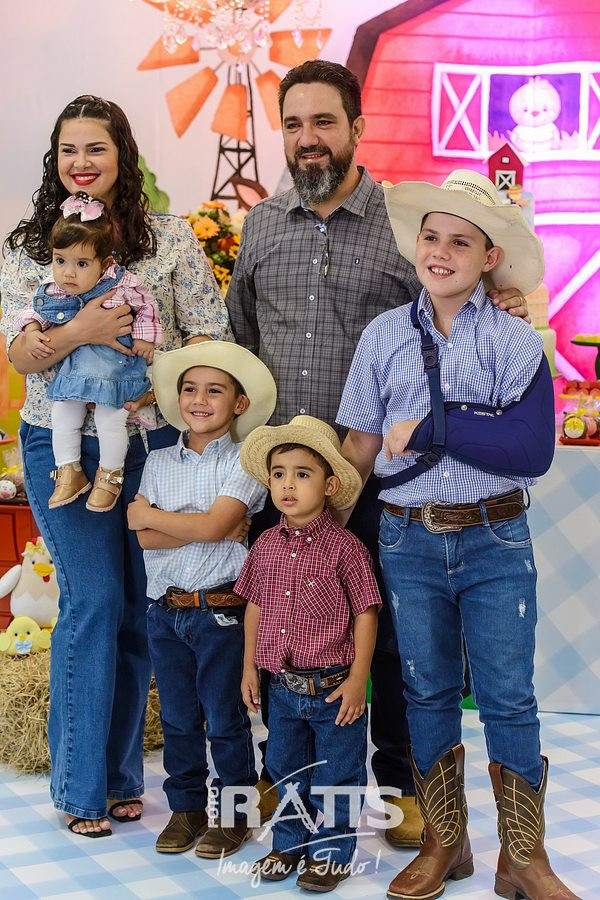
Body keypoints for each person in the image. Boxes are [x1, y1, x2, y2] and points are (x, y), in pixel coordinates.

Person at [226, 58, 530, 845]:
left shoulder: (401, 226)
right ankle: (290, 778)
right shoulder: (261, 226)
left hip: (377, 478)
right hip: (283, 477)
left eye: (324, 122)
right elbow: (242, 340)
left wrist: (502, 300)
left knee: (389, 634)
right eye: (294, 124)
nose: (308, 138)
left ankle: (402, 786)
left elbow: (448, 302)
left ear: (357, 128)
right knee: (285, 627)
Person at [338, 170, 580, 900]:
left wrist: (431, 431)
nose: (441, 252)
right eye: (432, 237)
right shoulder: (383, 336)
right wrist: (327, 525)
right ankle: (446, 842)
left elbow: (530, 450)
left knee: (508, 696)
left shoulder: (515, 339)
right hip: (407, 540)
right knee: (425, 690)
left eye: (461, 243)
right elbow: (361, 444)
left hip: (494, 539)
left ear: (489, 258)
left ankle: (524, 858)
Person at [0, 95, 229, 837]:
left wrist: (154, 375)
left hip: (150, 445)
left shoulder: (169, 239)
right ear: (54, 159)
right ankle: (79, 789)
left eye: (96, 148)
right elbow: (21, 353)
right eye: (69, 150)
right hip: (60, 443)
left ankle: (123, 778)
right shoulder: (28, 245)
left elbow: (211, 335)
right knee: (93, 601)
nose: (82, 162)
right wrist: (89, 328)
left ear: (122, 156)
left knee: (136, 608)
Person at [127, 341, 276, 856]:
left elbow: (207, 525)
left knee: (226, 719)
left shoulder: (247, 461)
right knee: (177, 719)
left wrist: (165, 520)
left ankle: (234, 815)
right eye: (190, 389)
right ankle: (186, 809)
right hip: (165, 611)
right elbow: (143, 537)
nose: (199, 399)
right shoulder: (157, 460)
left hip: (221, 613)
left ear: (239, 403)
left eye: (215, 390)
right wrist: (207, 527)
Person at [236, 415, 381, 893]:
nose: (288, 485)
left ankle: (333, 852)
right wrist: (250, 668)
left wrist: (358, 679)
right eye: (279, 474)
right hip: (283, 688)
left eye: (302, 474)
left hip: (334, 689)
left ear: (329, 485)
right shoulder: (265, 545)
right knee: (285, 769)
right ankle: (288, 843)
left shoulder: (346, 548)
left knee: (338, 775)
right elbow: (255, 605)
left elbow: (365, 613)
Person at [15, 192, 163, 512]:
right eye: (60, 261)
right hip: (74, 372)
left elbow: (147, 307)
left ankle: (110, 475)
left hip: (115, 370)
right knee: (62, 413)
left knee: (111, 421)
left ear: (105, 263)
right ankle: (69, 470)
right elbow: (33, 310)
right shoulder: (54, 289)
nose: (68, 273)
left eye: (81, 264)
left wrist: (145, 339)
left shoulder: (122, 286)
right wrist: (32, 330)